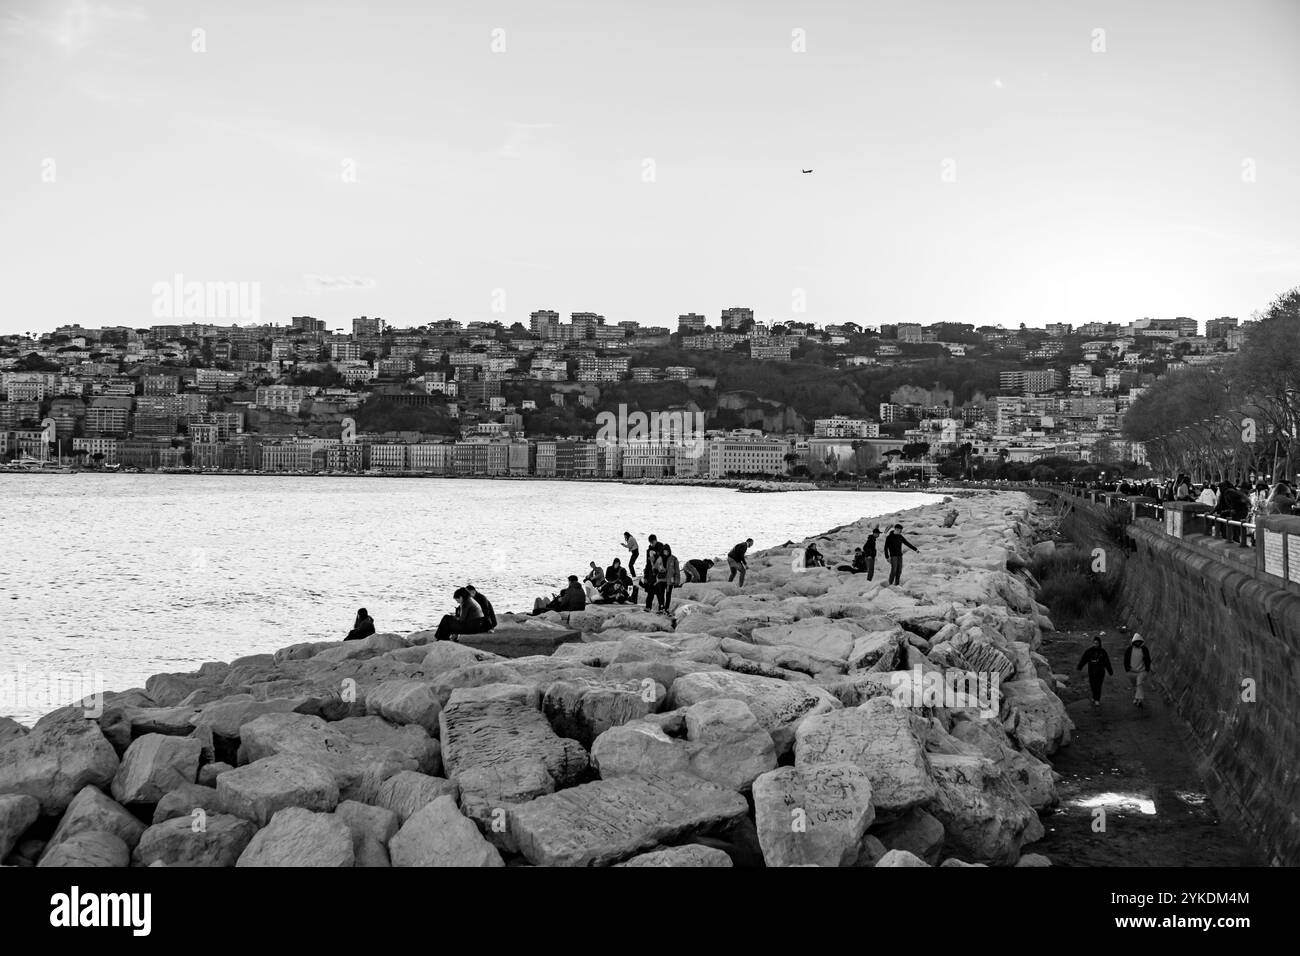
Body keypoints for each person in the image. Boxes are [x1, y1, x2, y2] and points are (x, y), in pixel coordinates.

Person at [1076, 635, 1114, 707]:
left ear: (1099, 643)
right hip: (1091, 671)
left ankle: (1097, 699)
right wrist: (1079, 667)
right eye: (1094, 643)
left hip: (1100, 672)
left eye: (1097, 643)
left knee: (1098, 685)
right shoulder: (1089, 651)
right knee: (1092, 685)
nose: (1095, 644)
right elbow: (1084, 659)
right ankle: (1094, 696)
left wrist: (1110, 671)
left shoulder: (1103, 652)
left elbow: (1107, 662)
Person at [1123, 632, 1152, 707]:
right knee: (1135, 686)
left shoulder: (1144, 649)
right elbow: (1126, 661)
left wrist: (1147, 669)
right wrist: (1128, 669)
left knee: (1139, 684)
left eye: (1139, 642)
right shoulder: (1129, 650)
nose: (1138, 643)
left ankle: (1140, 699)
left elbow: (1148, 660)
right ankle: (1136, 698)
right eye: (1136, 642)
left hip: (1142, 671)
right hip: (1131, 672)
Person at [658, 545, 681, 614]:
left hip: (670, 580)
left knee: (668, 595)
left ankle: (667, 609)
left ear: (669, 551)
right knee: (661, 594)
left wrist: (677, 581)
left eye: (667, 551)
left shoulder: (674, 559)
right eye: (664, 551)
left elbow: (677, 571)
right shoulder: (660, 558)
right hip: (661, 579)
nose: (665, 552)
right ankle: (661, 608)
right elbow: (655, 568)